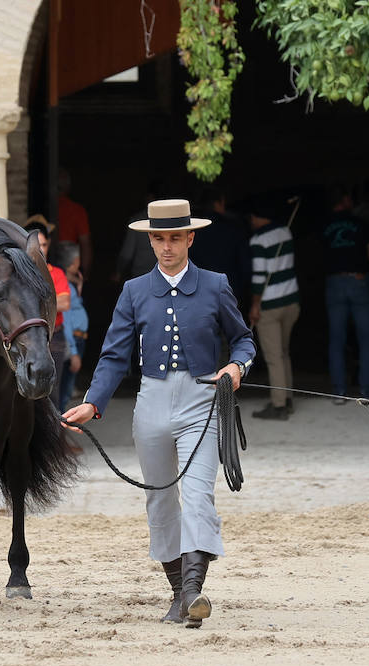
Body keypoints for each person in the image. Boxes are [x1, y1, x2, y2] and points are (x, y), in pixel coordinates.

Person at [62, 199, 255, 629]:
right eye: (159, 238)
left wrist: (236, 367)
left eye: (174, 238)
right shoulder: (134, 291)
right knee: (160, 499)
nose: (167, 247)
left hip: (202, 400)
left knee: (199, 493)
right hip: (150, 401)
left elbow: (243, 340)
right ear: (150, 240)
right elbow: (113, 355)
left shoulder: (215, 284)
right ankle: (177, 593)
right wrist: (94, 402)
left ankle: (192, 594)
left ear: (190, 238)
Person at [322, 186, 369, 403]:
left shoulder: (324, 225)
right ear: (346, 199)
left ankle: (339, 392)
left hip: (334, 281)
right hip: (359, 280)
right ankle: (367, 391)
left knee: (336, 339)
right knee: (366, 338)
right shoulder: (362, 224)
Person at [248, 195, 300, 419]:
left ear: (259, 217)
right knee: (284, 352)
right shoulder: (285, 232)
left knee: (273, 356)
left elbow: (260, 277)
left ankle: (278, 406)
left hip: (270, 305)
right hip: (291, 301)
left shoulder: (258, 241)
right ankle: (287, 399)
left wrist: (254, 305)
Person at [31, 222, 71, 402]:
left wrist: (32, 300)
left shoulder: (57, 273)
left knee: (52, 393)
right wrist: (49, 297)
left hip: (54, 336)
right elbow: (58, 301)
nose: (40, 249)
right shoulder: (18, 273)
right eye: (36, 245)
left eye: (44, 245)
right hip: (27, 339)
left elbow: (64, 303)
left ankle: (54, 430)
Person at [50, 242, 88, 412]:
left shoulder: (69, 282)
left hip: (76, 337)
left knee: (63, 390)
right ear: (76, 261)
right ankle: (59, 429)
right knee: (62, 393)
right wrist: (72, 352)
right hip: (71, 338)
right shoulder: (64, 285)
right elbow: (64, 317)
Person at [56, 169, 93, 276]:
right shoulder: (77, 210)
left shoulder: (46, 208)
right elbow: (85, 243)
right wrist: (85, 272)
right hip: (70, 262)